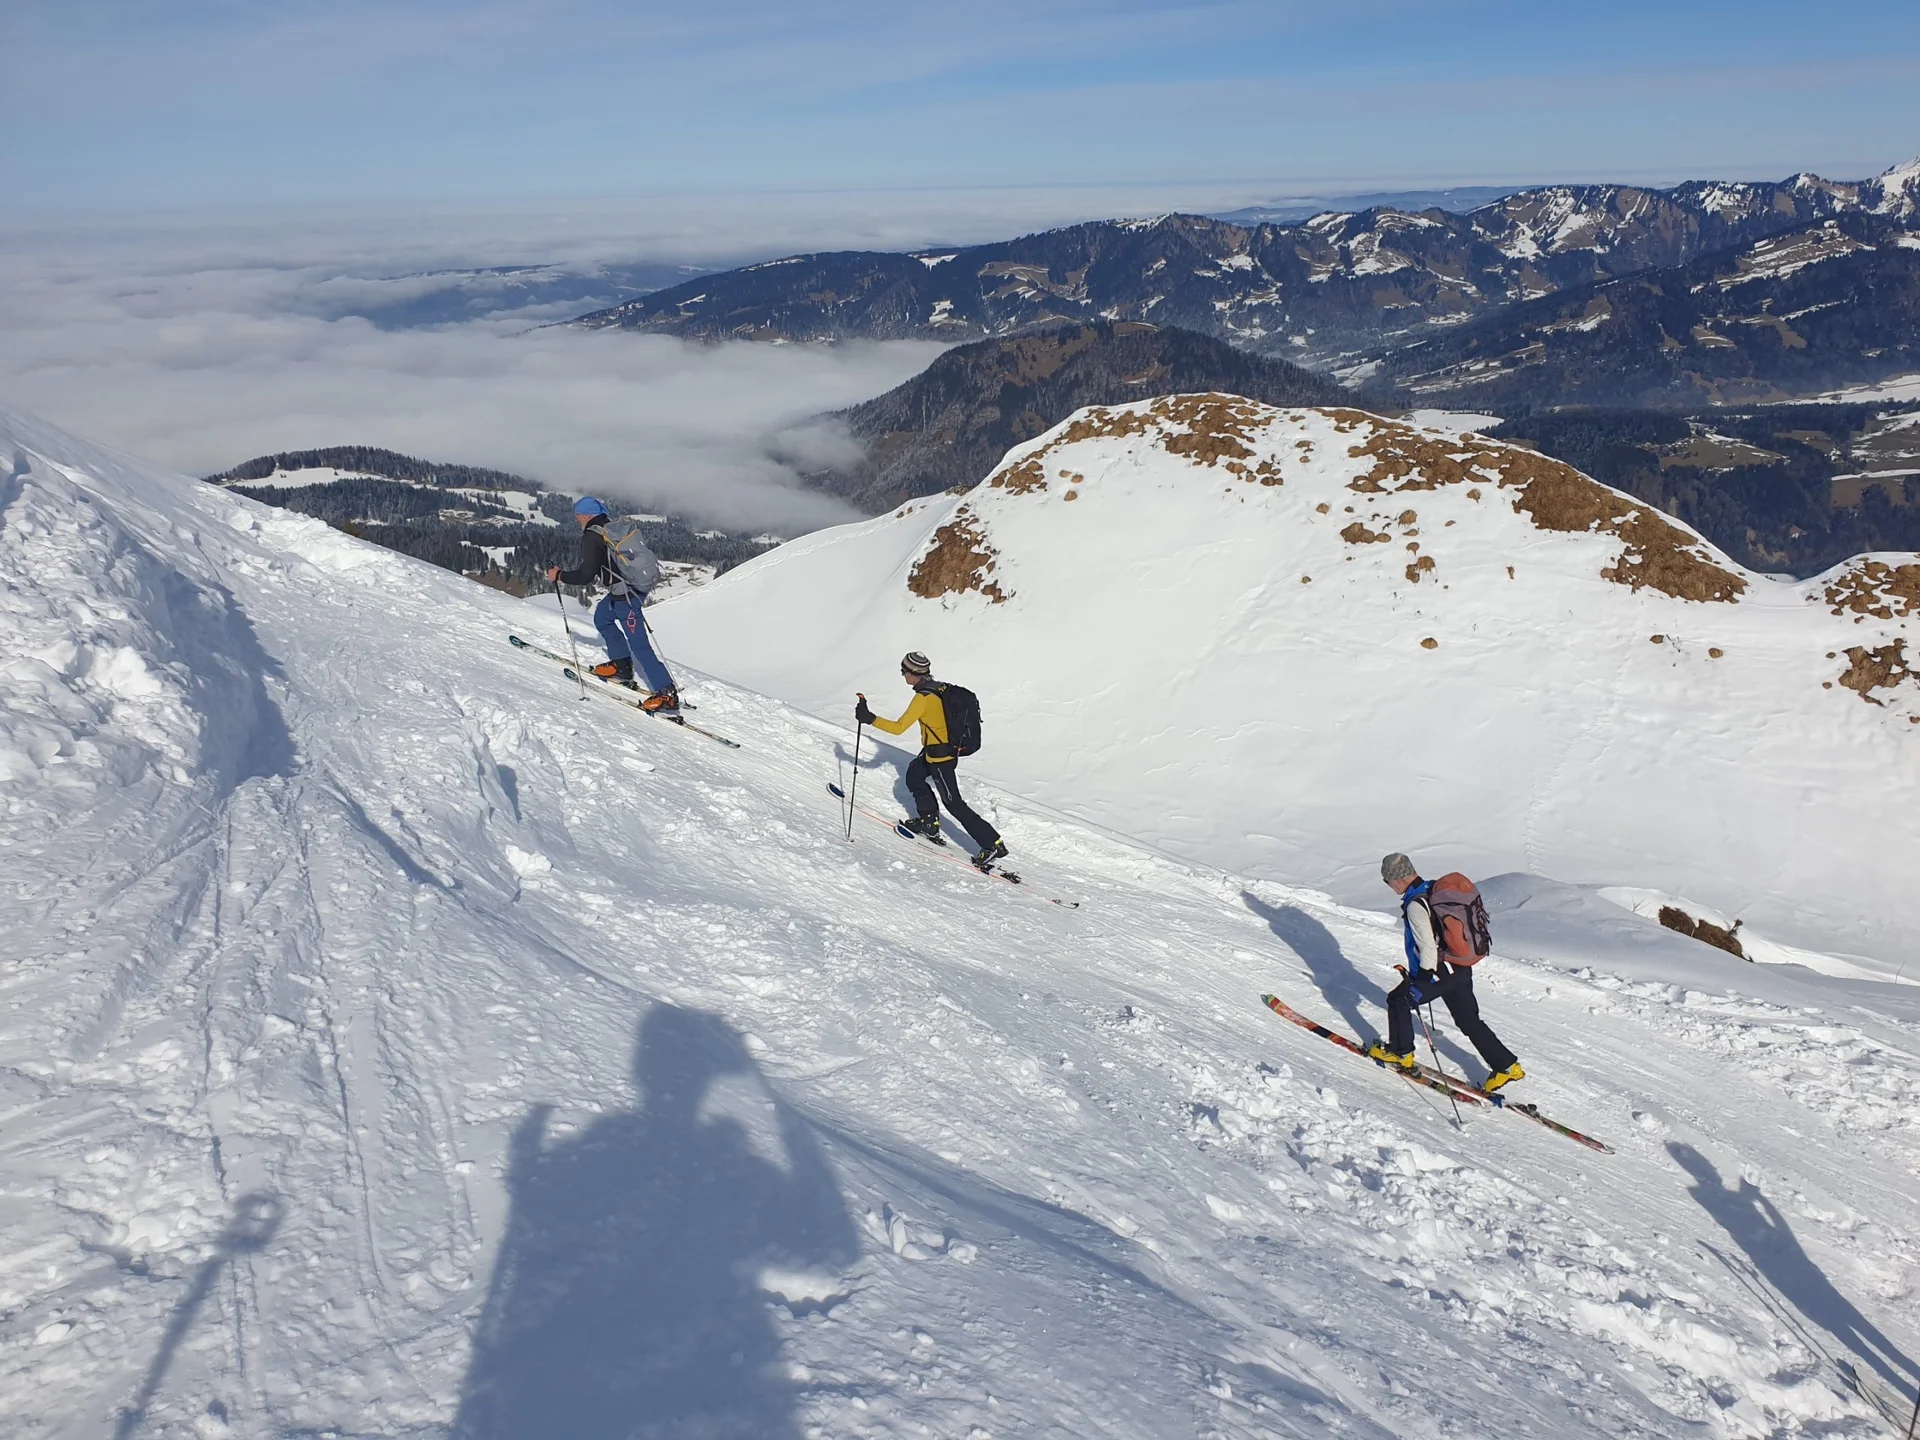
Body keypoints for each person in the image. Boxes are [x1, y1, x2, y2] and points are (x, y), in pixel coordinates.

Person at [1367, 852, 1525, 1094]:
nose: (1389, 886)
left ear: (1395, 880)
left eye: (1387, 881)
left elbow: (1428, 947)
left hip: (1441, 970)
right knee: (1468, 1020)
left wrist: (1420, 980)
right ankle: (1506, 1066)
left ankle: (1400, 1053)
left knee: (1398, 1000)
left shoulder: (1415, 905)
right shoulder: (1432, 889)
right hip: (1459, 967)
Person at [856, 652, 1007, 869]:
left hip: (941, 757)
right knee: (914, 774)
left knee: (954, 803)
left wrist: (869, 718)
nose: (902, 676)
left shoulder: (923, 698)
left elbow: (898, 728)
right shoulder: (939, 687)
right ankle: (929, 822)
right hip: (936, 751)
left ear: (913, 673)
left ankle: (993, 844)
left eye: (903, 672)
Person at [546, 497, 677, 713]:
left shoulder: (592, 535)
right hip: (625, 590)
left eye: (578, 514)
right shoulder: (610, 526)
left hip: (627, 595)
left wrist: (559, 575)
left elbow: (585, 575)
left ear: (587, 514)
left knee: (639, 644)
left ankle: (667, 693)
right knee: (602, 618)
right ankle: (622, 666)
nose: (576, 518)